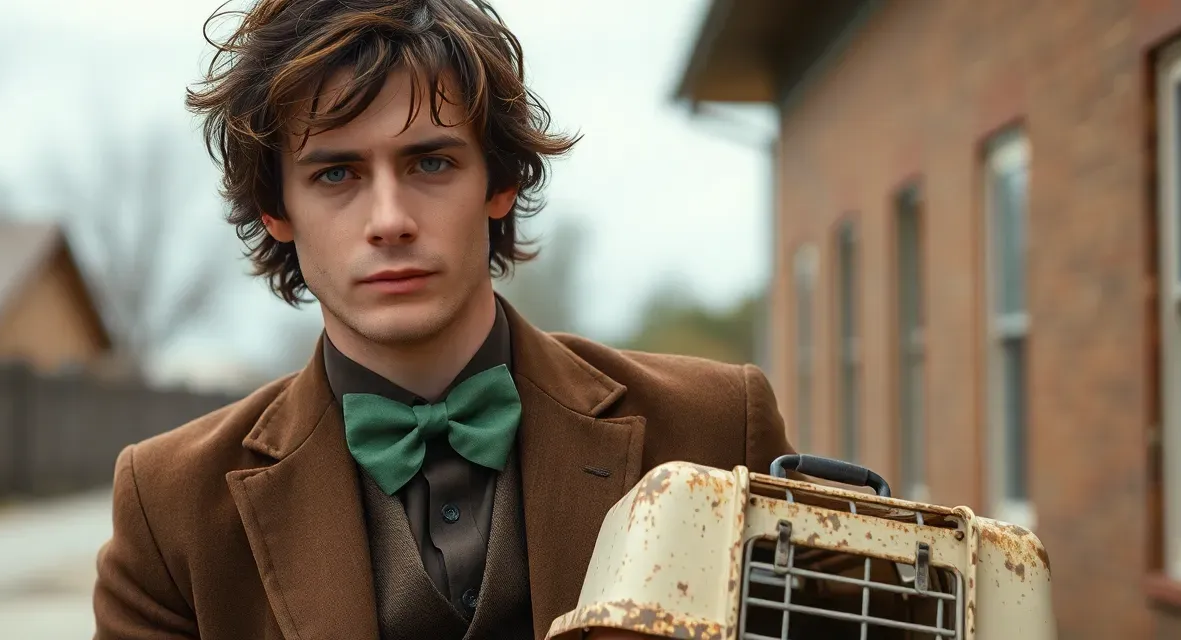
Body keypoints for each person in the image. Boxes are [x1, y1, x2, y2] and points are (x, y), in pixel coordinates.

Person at [90, 1, 797, 638]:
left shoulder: (715, 428)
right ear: (276, 209)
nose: (390, 221)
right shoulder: (170, 506)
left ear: (500, 182)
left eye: (430, 163)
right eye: (336, 174)